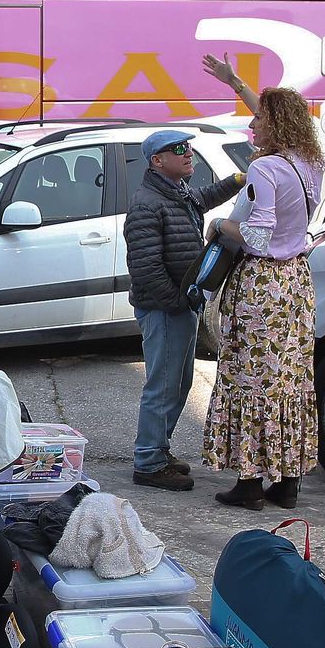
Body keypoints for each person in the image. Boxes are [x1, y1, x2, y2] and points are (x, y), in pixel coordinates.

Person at [199, 52, 325, 510]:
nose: (252, 124)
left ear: (276, 125)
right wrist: (235, 82)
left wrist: (219, 226)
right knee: (288, 378)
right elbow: (277, 115)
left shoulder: (264, 168)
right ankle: (287, 482)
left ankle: (249, 483)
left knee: (249, 377)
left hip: (261, 284)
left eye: (259, 120)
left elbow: (258, 233)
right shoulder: (307, 162)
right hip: (295, 284)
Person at [124, 128, 244, 490]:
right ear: (157, 161)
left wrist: (238, 180)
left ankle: (158, 451)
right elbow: (145, 268)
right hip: (164, 309)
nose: (188, 153)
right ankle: (148, 462)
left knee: (179, 384)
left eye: (188, 147)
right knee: (163, 386)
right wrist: (177, 302)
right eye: (179, 149)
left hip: (179, 306)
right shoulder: (147, 204)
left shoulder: (176, 192)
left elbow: (204, 198)